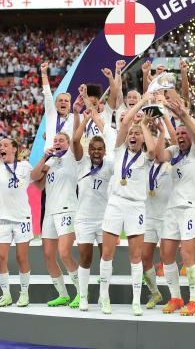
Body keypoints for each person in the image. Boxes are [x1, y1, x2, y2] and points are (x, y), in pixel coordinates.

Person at [98, 96, 157, 315]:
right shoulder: (119, 150)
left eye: (137, 134)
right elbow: (123, 124)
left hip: (136, 207)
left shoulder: (146, 157)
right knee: (107, 253)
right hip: (116, 203)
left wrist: (143, 125)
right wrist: (139, 105)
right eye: (131, 134)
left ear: (142, 138)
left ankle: (135, 300)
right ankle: (104, 297)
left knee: (135, 256)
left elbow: (152, 150)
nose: (132, 135)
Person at [155, 98, 195, 316]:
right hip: (172, 209)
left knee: (187, 254)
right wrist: (160, 133)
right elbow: (158, 156)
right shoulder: (175, 151)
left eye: (184, 133)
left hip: (191, 208)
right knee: (167, 255)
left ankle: (194, 301)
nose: (181, 136)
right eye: (178, 134)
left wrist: (183, 115)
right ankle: (175, 297)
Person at [0, 107, 32, 308]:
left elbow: (38, 177)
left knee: (21, 258)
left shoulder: (25, 167)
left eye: (5, 145)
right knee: (1, 258)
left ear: (14, 149)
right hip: (2, 219)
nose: (0, 147)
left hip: (22, 220)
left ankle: (25, 294)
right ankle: (6, 294)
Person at [30, 110, 81, 307]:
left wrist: (76, 114)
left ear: (68, 144)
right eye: (56, 140)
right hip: (49, 212)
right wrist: (44, 158)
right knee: (48, 255)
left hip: (67, 210)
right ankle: (63, 294)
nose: (58, 142)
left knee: (65, 253)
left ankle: (81, 292)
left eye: (62, 140)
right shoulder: (49, 161)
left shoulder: (72, 158)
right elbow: (35, 181)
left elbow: (75, 137)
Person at [72, 109, 114, 312]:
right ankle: (83, 296)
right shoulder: (82, 164)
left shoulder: (111, 166)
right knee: (86, 258)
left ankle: (104, 297)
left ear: (105, 151)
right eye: (93, 149)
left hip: (105, 219)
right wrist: (86, 118)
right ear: (89, 150)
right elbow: (74, 141)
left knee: (106, 258)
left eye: (100, 149)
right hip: (84, 219)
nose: (96, 152)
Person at [141, 116, 174, 310]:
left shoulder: (172, 165)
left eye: (163, 144)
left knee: (166, 257)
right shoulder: (145, 163)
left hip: (166, 216)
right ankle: (155, 292)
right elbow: (152, 151)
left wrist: (162, 132)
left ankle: (174, 296)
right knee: (144, 257)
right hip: (148, 216)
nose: (157, 147)